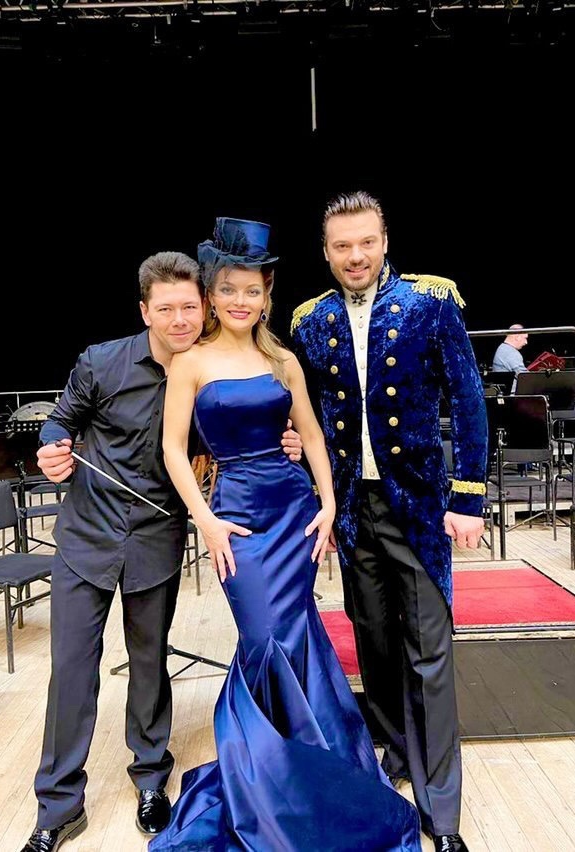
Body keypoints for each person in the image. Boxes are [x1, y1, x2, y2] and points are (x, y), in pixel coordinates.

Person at [152, 217, 421, 851]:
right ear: (212, 294)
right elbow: (171, 450)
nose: (240, 301)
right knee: (264, 638)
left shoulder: (282, 360)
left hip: (292, 512)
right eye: (229, 290)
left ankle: (313, 771)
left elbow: (315, 435)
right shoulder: (189, 363)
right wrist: (204, 519)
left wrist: (327, 503)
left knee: (298, 635)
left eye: (252, 290)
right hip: (237, 519)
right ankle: (269, 784)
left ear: (266, 295)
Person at [21, 250, 303, 852]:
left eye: (189, 307)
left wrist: (283, 441)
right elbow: (60, 420)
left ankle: (151, 778)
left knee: (149, 662)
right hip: (87, 536)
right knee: (72, 668)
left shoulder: (212, 372)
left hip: (156, 535)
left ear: (204, 308)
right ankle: (58, 806)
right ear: (145, 311)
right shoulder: (101, 362)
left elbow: (240, 437)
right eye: (166, 308)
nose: (180, 319)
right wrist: (53, 447)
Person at [290, 191, 488, 852]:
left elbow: (467, 398)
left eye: (366, 242)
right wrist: (305, 474)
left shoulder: (431, 301)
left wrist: (468, 498)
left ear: (384, 241)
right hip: (353, 512)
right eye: (342, 246)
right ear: (326, 252)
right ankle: (397, 752)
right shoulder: (311, 320)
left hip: (420, 508)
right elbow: (309, 415)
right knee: (373, 640)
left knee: (430, 651)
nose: (356, 256)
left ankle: (442, 810)